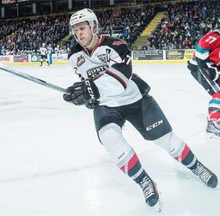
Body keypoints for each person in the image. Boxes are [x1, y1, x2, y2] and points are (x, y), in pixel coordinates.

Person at [63, 8, 218, 210]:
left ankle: (196, 166)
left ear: (93, 27)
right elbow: (86, 82)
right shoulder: (74, 55)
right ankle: (144, 181)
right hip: (106, 106)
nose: (78, 34)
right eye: (75, 30)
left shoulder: (116, 46)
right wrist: (85, 96)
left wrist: (91, 89)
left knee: (167, 140)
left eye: (82, 28)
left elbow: (122, 77)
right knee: (110, 140)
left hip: (134, 99)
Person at [187, 29, 220, 140]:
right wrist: (208, 67)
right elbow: (200, 50)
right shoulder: (216, 35)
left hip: (209, 67)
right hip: (199, 67)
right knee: (219, 93)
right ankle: (213, 124)